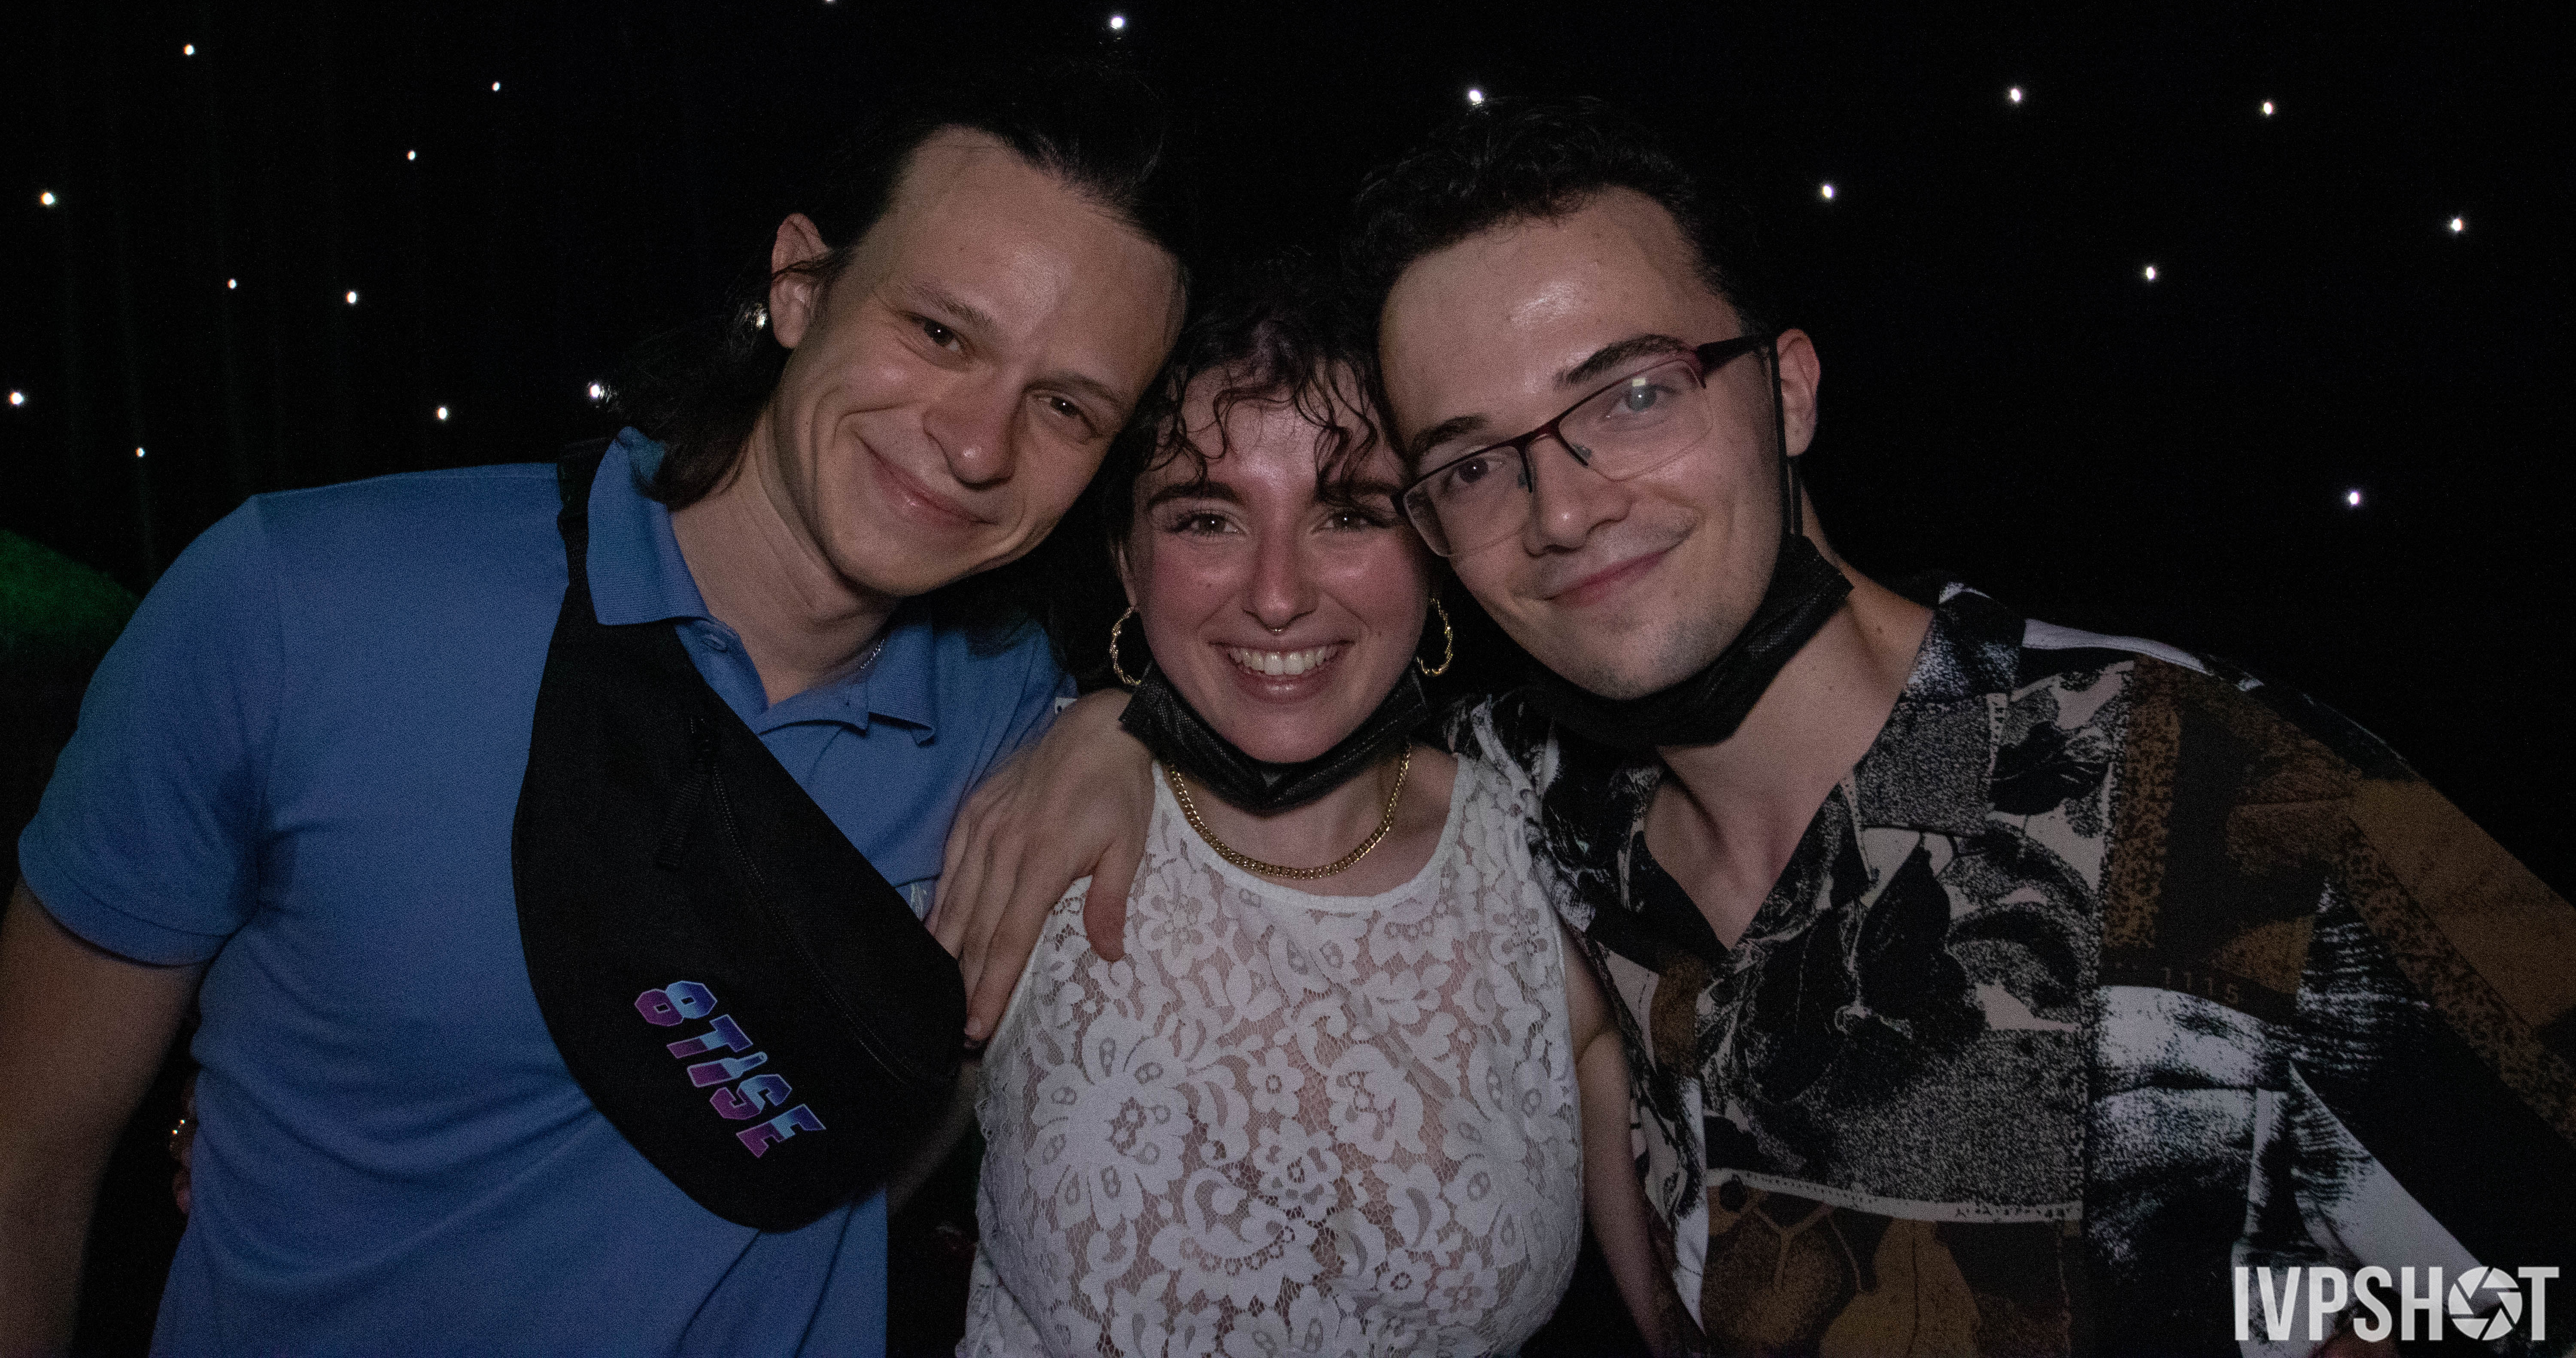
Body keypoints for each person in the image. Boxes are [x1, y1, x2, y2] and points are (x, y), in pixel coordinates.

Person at [933, 99, 2576, 1357]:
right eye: (1478, 459)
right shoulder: (1556, 808)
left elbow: (2524, 1281)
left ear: (1785, 389)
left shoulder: (2203, 788)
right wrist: (1113, 726)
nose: (1566, 504)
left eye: (1632, 394)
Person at [0, 60, 1193, 1358]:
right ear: (801, 285)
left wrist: (1128, 722)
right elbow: (25, 1168)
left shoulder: (1012, 717)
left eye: (1066, 406)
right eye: (941, 334)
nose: (977, 445)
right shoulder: (298, 604)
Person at [960, 266, 1662, 1356]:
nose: (1279, 594)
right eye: (1207, 518)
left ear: (1435, 551)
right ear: (1128, 564)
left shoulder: (1550, 855)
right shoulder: (1011, 804)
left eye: (1349, 513)